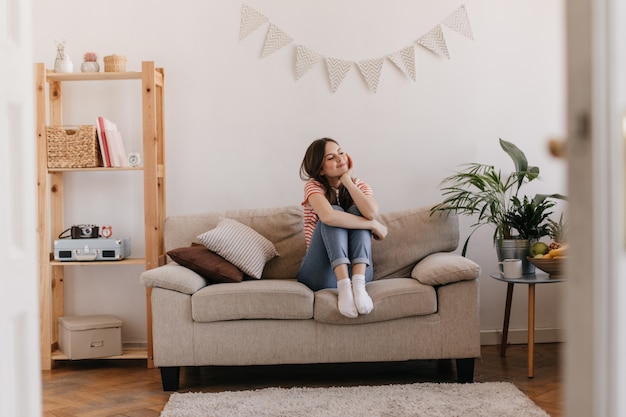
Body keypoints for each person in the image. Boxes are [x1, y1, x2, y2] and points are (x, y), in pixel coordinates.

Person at [297, 138, 388, 318]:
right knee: (334, 211)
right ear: (320, 169)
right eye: (331, 157)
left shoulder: (359, 185)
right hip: (318, 273)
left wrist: (347, 180)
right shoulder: (313, 186)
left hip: (360, 272)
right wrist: (371, 225)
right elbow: (328, 216)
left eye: (340, 152)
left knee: (357, 210)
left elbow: (371, 212)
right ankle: (344, 288)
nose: (340, 159)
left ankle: (358, 286)